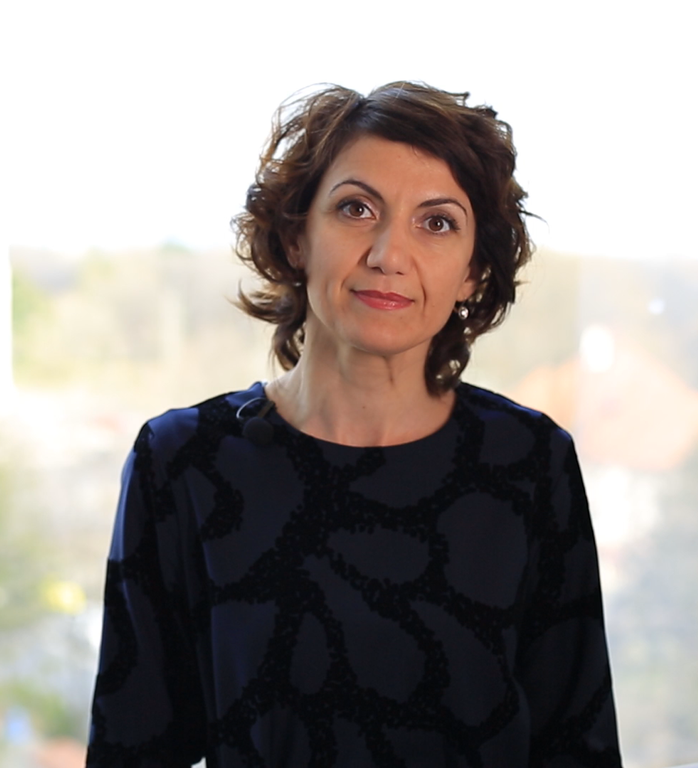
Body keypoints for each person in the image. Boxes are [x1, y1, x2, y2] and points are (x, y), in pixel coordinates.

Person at [86, 81, 621, 767]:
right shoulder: (184, 461)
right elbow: (132, 750)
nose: (389, 255)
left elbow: (578, 749)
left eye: (437, 222)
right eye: (356, 209)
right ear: (296, 237)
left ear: (472, 271)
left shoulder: (530, 462)